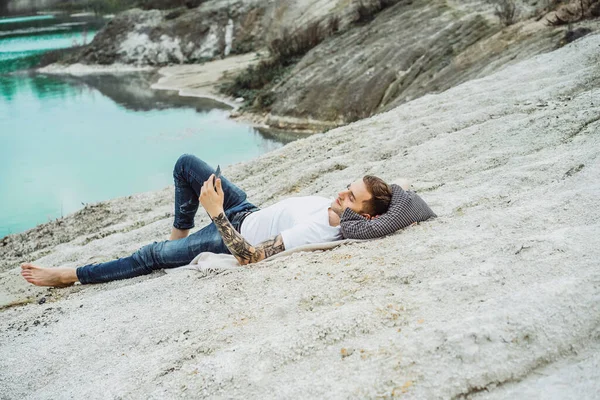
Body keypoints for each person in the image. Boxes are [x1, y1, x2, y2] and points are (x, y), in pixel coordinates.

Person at [21, 154, 393, 287]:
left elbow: (250, 256)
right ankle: (178, 239)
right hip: (247, 209)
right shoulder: (342, 208)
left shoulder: (324, 229)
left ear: (367, 214)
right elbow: (403, 193)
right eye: (347, 187)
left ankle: (71, 274)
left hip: (227, 232)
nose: (341, 194)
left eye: (351, 197)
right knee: (186, 164)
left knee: (150, 254)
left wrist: (215, 212)